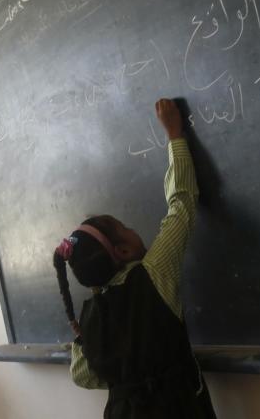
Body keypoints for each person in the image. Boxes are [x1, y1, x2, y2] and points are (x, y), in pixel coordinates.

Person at [52, 98, 216, 418]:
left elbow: (82, 374)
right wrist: (175, 136)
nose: (131, 228)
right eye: (124, 228)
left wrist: (129, 379)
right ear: (123, 252)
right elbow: (181, 205)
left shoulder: (89, 318)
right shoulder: (152, 274)